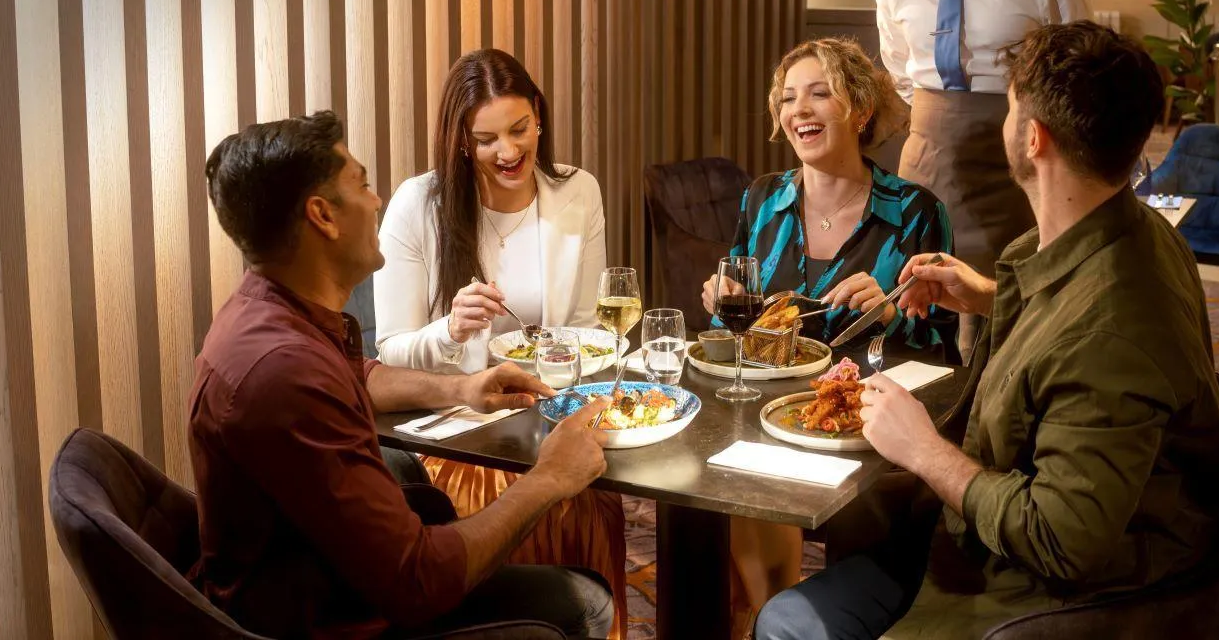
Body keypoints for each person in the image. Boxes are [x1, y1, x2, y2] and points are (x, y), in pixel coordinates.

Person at [756, 22, 1219, 640]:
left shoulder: (1110, 332)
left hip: (1057, 596)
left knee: (790, 624)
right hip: (1000, 535)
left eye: (1006, 109)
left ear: (1032, 139)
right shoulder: (1136, 233)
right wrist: (984, 295)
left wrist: (925, 452)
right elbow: (1072, 320)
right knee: (845, 544)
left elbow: (1060, 540)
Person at [190, 110, 614, 640]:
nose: (376, 201)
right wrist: (547, 479)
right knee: (585, 602)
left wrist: (462, 388)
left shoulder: (267, 316)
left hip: (333, 579)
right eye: (363, 185)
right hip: (332, 619)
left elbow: (359, 378)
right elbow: (417, 580)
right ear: (322, 215)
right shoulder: (283, 374)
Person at [699, 37, 954, 637]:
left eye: (820, 94)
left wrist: (891, 317)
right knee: (717, 482)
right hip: (766, 418)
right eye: (788, 98)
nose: (799, 110)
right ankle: (766, 617)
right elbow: (733, 327)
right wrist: (721, 301)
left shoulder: (916, 210)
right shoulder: (763, 198)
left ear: (860, 110)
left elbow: (944, 359)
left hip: (861, 434)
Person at [374, 49, 626, 639]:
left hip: (547, 408)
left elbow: (588, 325)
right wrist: (451, 329)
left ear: (539, 116)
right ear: (461, 140)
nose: (508, 152)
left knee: (595, 485)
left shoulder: (577, 192)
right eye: (486, 139)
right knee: (519, 483)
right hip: (462, 430)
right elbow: (388, 352)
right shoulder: (420, 206)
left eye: (519, 130)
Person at [877, 0, 1093, 361]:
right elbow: (900, 67)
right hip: (925, 153)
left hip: (1016, 156)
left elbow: (1081, 69)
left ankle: (992, 425)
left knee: (1003, 302)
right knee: (916, 289)